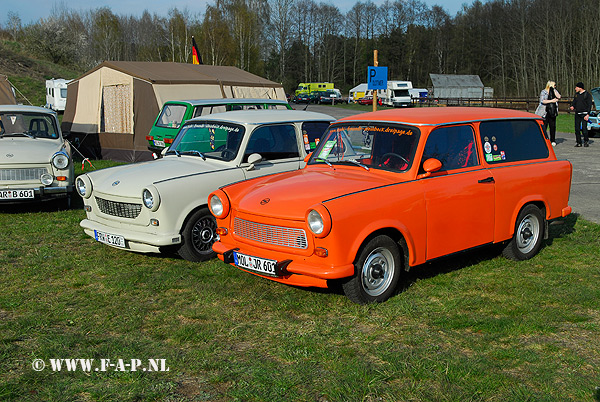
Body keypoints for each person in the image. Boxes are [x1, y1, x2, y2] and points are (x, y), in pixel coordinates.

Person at [569, 82, 593, 147]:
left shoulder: (587, 95)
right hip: (577, 114)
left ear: (580, 87)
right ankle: (578, 142)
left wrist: (588, 114)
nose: (575, 88)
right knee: (577, 129)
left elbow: (589, 105)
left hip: (584, 114)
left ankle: (586, 141)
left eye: (576, 87)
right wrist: (573, 106)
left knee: (584, 129)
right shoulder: (576, 95)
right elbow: (574, 102)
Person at [539, 81, 561, 146]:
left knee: (553, 126)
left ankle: (553, 140)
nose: (555, 86)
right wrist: (552, 101)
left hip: (553, 111)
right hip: (545, 111)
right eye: (554, 85)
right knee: (544, 126)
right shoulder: (544, 92)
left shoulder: (554, 91)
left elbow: (559, 96)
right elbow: (542, 101)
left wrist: (554, 90)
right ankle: (543, 139)